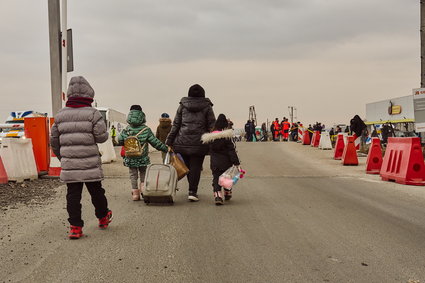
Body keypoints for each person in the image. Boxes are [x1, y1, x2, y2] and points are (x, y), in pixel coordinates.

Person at [50, 76, 112, 240]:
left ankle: (75, 227)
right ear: (88, 94)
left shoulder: (60, 115)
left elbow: (54, 141)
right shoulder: (93, 113)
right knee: (97, 192)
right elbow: (101, 138)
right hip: (90, 162)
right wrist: (104, 132)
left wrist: (63, 157)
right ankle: (103, 217)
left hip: (70, 163)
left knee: (73, 195)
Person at [166, 84, 216, 202]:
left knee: (188, 166)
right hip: (200, 142)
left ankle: (191, 190)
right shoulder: (207, 106)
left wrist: (169, 141)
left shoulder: (182, 106)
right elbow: (212, 125)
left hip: (182, 142)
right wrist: (215, 141)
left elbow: (176, 125)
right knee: (196, 167)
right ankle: (192, 191)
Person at [119, 105, 169, 201]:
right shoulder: (146, 130)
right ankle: (143, 190)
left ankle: (135, 194)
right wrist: (165, 149)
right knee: (143, 173)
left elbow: (120, 140)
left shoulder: (126, 129)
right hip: (142, 156)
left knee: (133, 175)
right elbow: (155, 142)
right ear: (142, 115)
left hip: (130, 156)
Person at [201, 114, 241, 205]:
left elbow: (206, 149)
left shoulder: (210, 138)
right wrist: (236, 163)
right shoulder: (226, 137)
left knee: (216, 179)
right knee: (226, 177)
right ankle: (227, 192)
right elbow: (231, 151)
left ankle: (218, 196)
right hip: (226, 162)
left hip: (215, 162)